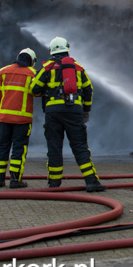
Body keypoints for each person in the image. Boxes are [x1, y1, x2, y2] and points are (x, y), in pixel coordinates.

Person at [30, 37, 105, 192]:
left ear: (51, 51)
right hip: (74, 112)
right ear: (67, 49)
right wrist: (86, 110)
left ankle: (54, 184)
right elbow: (88, 89)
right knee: (80, 147)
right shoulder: (78, 68)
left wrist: (47, 91)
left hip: (53, 113)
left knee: (54, 148)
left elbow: (33, 89)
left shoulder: (47, 68)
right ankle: (91, 182)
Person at [0, 48, 37, 189]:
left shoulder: (4, 71)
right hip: (22, 120)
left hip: (4, 118)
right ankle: (15, 179)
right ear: (32, 61)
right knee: (19, 149)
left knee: (2, 147)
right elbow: (38, 92)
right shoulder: (32, 74)